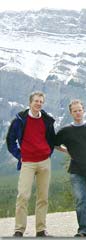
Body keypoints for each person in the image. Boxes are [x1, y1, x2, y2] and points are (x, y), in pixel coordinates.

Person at [6, 91, 56, 237]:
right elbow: (10, 140)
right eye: (36, 101)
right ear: (30, 102)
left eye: (41, 101)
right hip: (27, 162)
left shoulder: (47, 120)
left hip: (44, 162)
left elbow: (51, 140)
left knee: (43, 197)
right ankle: (19, 229)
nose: (39, 103)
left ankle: (41, 229)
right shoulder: (20, 119)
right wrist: (19, 155)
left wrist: (47, 153)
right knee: (23, 195)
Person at [55, 99, 86, 237]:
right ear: (71, 113)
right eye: (74, 111)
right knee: (81, 200)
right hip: (76, 171)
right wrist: (66, 151)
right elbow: (55, 143)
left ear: (84, 111)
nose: (77, 113)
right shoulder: (66, 131)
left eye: (79, 110)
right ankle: (83, 230)